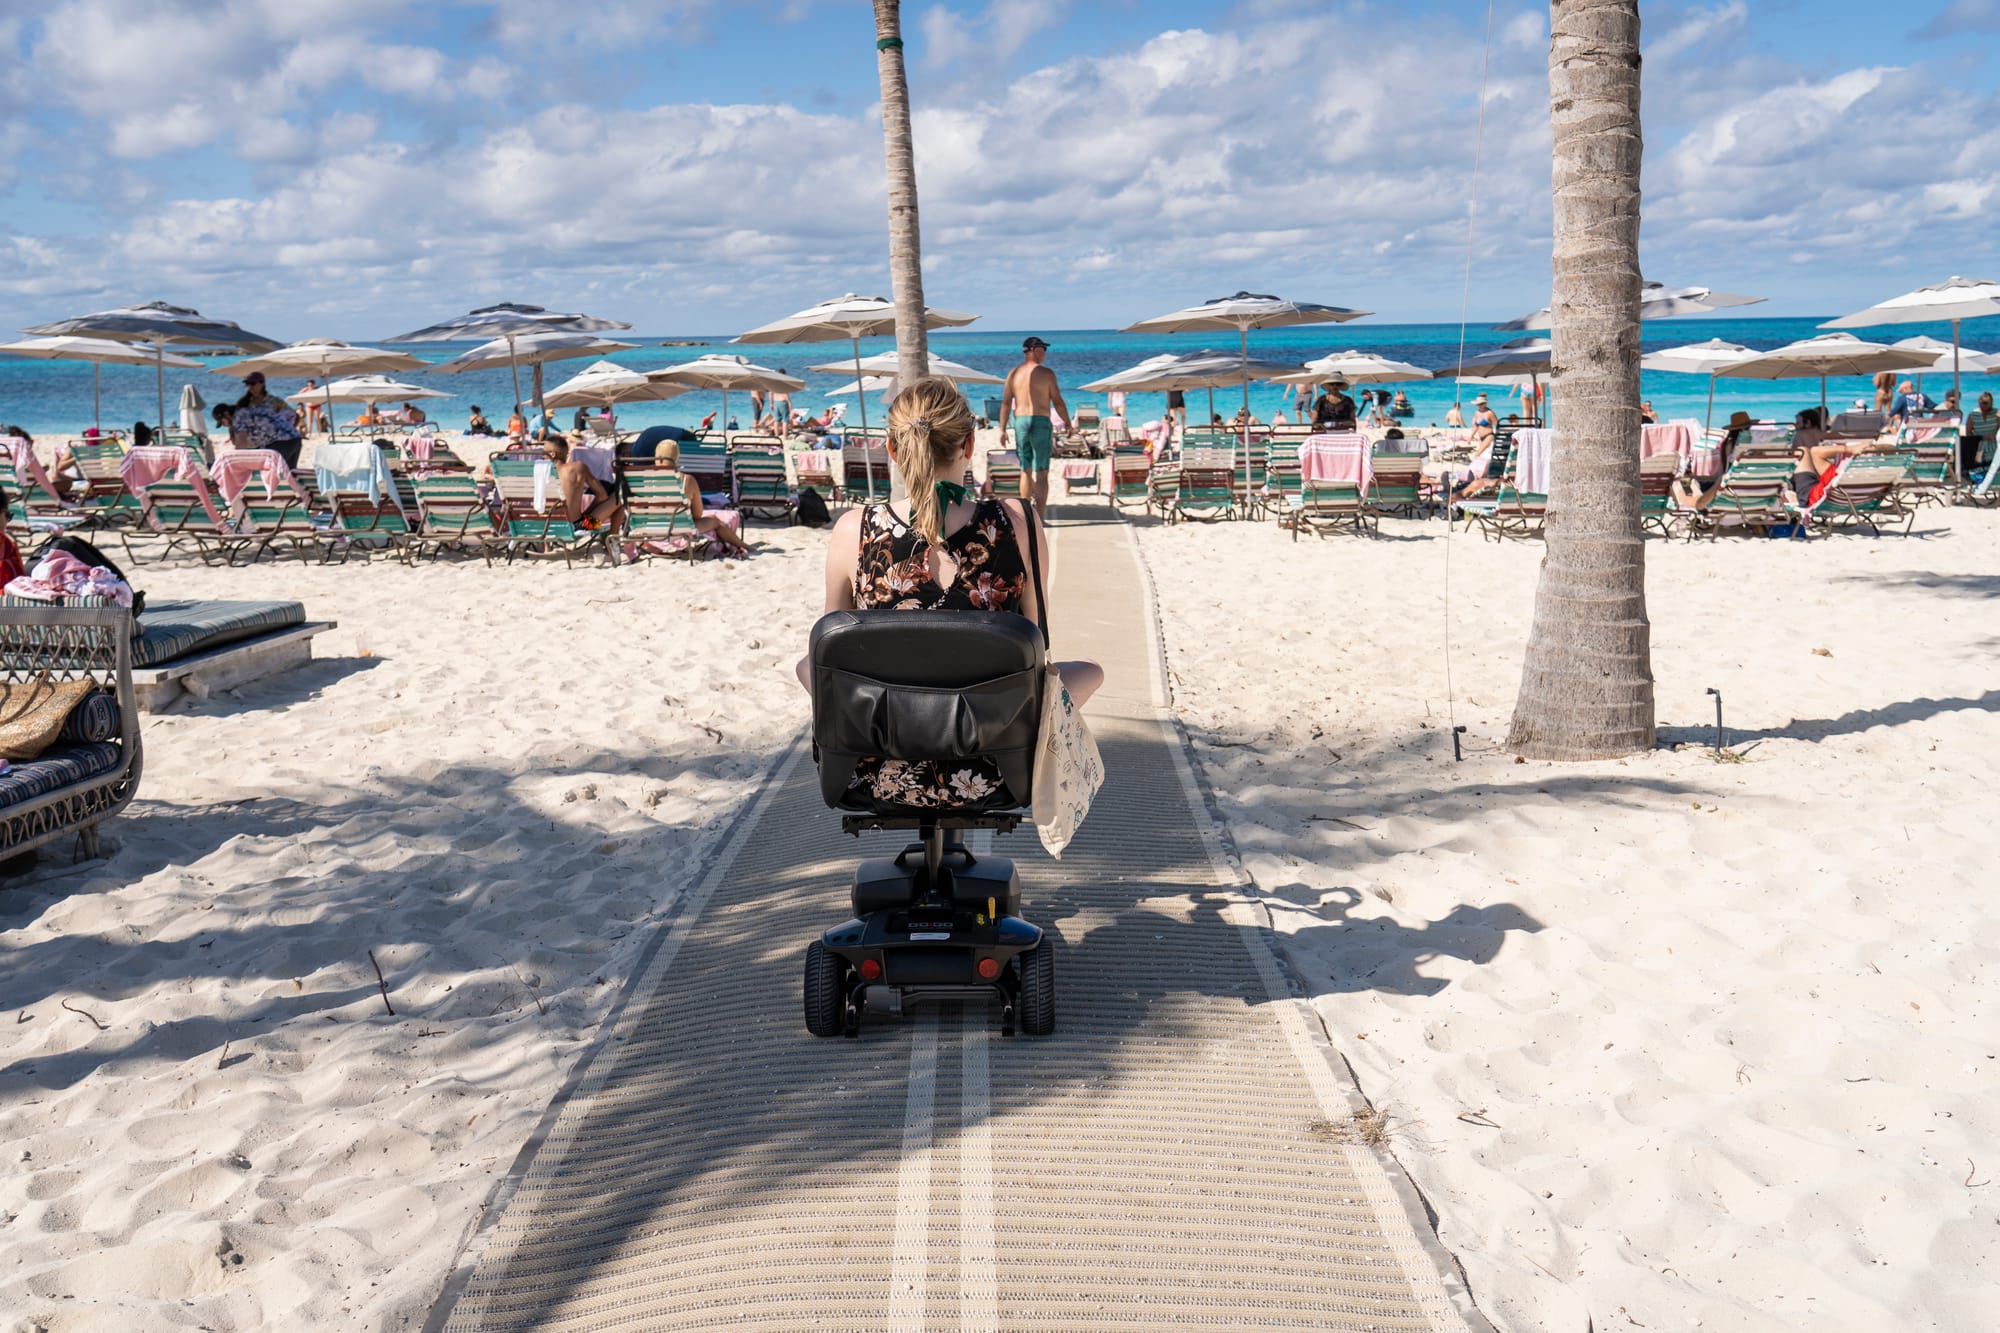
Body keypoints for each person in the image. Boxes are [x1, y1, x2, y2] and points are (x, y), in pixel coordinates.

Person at [794, 376, 1101, 806]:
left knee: (807, 664)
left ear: (893, 449)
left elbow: (830, 662)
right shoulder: (1018, 522)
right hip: (996, 767)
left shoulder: (854, 530)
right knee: (1090, 670)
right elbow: (1038, 643)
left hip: (876, 770)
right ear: (969, 444)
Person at [996, 336, 1071, 510]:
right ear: (1034, 349)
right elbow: (1058, 402)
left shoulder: (1013, 374)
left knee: (1025, 470)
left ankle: (1026, 516)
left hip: (1021, 422)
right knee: (1042, 472)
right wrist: (1067, 423)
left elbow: (1006, 403)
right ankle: (1040, 517)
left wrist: (1002, 429)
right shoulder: (1046, 373)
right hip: (1040, 421)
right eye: (1043, 349)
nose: (1045, 352)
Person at [646, 438, 750, 555]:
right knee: (715, 521)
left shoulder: (647, 479)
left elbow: (636, 508)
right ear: (677, 458)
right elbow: (697, 514)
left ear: (658, 459)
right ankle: (742, 545)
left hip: (652, 530)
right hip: (679, 530)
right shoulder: (687, 480)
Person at [542, 434, 624, 533]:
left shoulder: (539, 473)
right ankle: (613, 539)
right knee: (621, 497)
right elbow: (602, 496)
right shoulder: (577, 468)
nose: (542, 455)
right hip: (578, 526)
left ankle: (547, 548)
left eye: (543, 452)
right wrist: (587, 513)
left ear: (553, 454)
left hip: (547, 527)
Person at [230, 372, 303, 468]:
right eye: (248, 384)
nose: (250, 387)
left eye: (253, 384)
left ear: (262, 384)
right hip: (256, 445)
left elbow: (294, 416)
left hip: (277, 442)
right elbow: (237, 423)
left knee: (284, 470)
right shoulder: (244, 403)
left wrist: (284, 430)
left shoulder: (274, 402)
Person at [1964, 391, 1999, 474]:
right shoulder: (1973, 415)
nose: (1984, 405)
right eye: (1982, 403)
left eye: (1986, 403)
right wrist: (1977, 440)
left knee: (1994, 468)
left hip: (1994, 444)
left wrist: (1995, 436)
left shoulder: (1996, 413)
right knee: (1978, 469)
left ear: (1991, 403)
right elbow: (1968, 432)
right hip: (1979, 445)